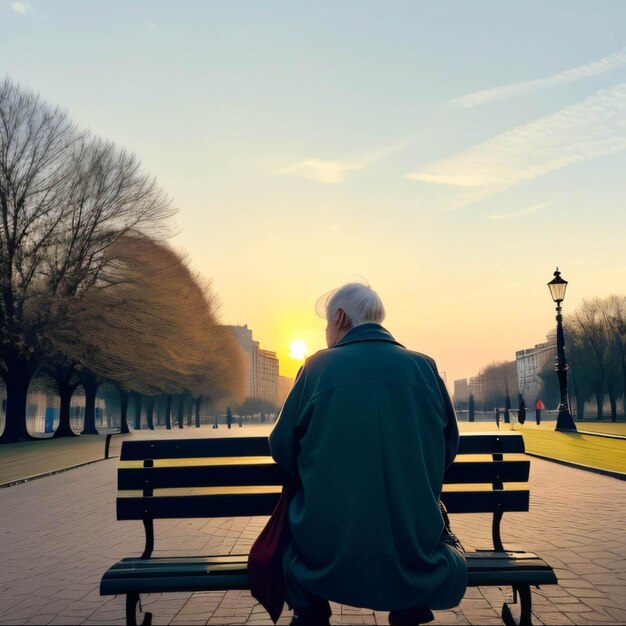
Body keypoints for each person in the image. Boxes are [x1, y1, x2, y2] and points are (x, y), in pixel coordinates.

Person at [269, 282, 467, 626]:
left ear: (342, 318)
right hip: (411, 546)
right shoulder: (424, 368)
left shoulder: (316, 368)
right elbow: (448, 449)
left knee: (303, 526)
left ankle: (312, 610)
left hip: (327, 551)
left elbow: (281, 450)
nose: (326, 333)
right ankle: (408, 603)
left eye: (327, 324)